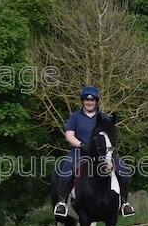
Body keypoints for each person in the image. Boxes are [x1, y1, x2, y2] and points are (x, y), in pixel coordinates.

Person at [54, 86, 134, 218]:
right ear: (82, 101)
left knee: (124, 172)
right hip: (81, 152)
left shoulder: (103, 117)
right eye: (86, 100)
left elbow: (110, 135)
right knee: (66, 171)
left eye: (92, 100)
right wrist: (81, 145)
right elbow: (69, 135)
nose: (89, 102)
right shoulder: (75, 117)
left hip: (102, 154)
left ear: (96, 102)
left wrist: (109, 150)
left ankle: (125, 204)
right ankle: (62, 203)